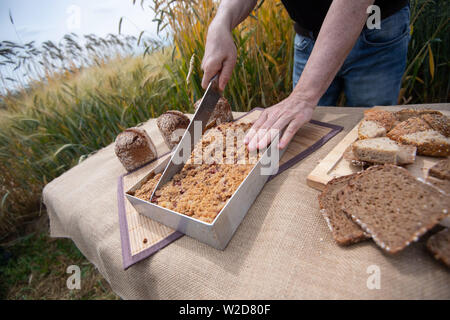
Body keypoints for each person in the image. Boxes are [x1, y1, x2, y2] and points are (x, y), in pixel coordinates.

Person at [201, 0, 410, 151]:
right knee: (303, 134)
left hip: (377, 31)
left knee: (374, 134)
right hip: (307, 36)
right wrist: (222, 20)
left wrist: (303, 96)